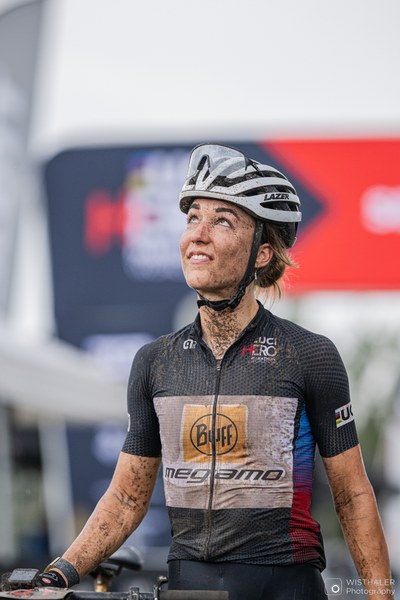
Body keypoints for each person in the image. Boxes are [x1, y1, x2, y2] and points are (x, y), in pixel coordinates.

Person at [38, 144, 394, 599]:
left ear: (262, 253)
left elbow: (352, 495)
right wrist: (59, 573)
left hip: (285, 585)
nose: (198, 235)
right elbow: (127, 498)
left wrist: (381, 596)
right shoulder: (156, 361)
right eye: (192, 218)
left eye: (222, 221)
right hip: (189, 585)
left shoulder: (308, 355)